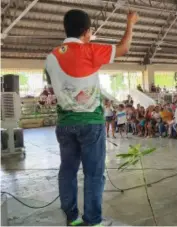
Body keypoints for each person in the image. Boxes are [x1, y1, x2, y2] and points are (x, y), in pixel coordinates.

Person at [44, 9, 138, 226]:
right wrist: (130, 23)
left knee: (67, 171)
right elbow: (124, 48)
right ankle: (93, 220)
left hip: (65, 123)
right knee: (94, 174)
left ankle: (72, 217)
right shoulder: (91, 50)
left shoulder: (51, 57)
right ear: (86, 31)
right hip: (91, 123)